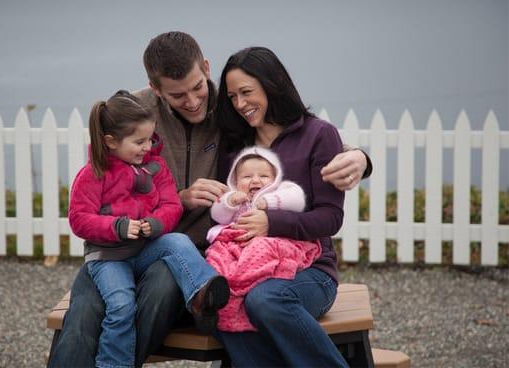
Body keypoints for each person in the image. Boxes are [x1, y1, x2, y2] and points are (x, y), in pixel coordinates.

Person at [48, 32, 371, 367]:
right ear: (156, 88)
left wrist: (361, 158)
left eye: (197, 87)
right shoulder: (145, 115)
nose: (191, 101)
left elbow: (304, 145)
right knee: (84, 314)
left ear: (205, 68)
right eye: (177, 94)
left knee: (188, 296)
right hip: (130, 248)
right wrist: (181, 198)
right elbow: (106, 162)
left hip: (212, 259)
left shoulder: (229, 114)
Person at [67, 90, 229, 367]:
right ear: (111, 141)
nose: (147, 147)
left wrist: (156, 224)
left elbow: (171, 205)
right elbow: (79, 218)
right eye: (139, 141)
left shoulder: (156, 167)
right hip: (109, 258)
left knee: (177, 241)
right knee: (121, 306)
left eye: (150, 139)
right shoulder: (94, 173)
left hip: (143, 249)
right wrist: (116, 227)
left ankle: (202, 293)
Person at [213, 46, 348, 367]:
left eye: (246, 92)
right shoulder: (235, 148)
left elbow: (331, 218)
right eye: (232, 97)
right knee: (224, 302)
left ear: (272, 84)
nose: (240, 104)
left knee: (264, 298)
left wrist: (271, 223)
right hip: (243, 267)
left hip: (310, 272)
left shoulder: (319, 135)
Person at [206, 145, 323, 332]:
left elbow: (297, 199)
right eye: (247, 177)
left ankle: (243, 281)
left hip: (268, 242)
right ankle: (220, 290)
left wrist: (266, 201)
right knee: (216, 256)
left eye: (263, 176)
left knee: (260, 248)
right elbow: (218, 215)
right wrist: (229, 201)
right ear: (236, 181)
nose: (255, 180)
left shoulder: (281, 190)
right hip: (237, 244)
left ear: (275, 178)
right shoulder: (235, 198)